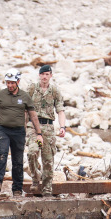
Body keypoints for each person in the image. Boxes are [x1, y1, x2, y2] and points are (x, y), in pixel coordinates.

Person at [0, 69, 44, 196]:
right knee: (2, 153)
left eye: (12, 83)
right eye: (8, 83)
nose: (10, 85)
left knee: (18, 159)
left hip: (18, 131)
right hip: (2, 129)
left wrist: (39, 133)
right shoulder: (0, 95)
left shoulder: (24, 96)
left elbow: (33, 115)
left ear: (18, 81)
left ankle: (17, 188)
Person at [26, 65, 66, 197]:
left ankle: (47, 188)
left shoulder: (55, 91)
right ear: (39, 75)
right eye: (42, 74)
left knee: (48, 159)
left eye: (47, 74)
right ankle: (36, 177)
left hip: (48, 128)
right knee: (32, 152)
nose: (44, 77)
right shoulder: (32, 88)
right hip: (34, 127)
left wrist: (62, 126)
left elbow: (60, 110)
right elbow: (25, 109)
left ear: (51, 76)